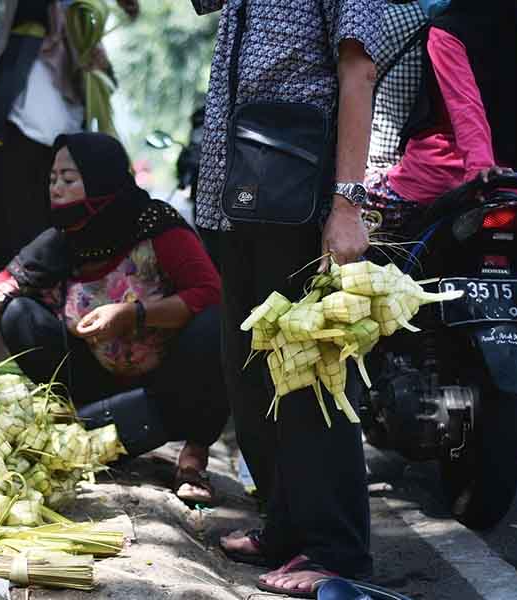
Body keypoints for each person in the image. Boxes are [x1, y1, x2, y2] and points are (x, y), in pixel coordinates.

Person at [0, 132, 229, 505]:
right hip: (102, 384)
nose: (56, 188)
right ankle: (93, 422)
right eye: (52, 179)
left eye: (68, 179)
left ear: (102, 179)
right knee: (18, 314)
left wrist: (133, 315)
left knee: (216, 324)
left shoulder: (157, 227)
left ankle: (194, 456)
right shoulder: (59, 242)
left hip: (172, 385)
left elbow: (210, 293)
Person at [190, 0, 383, 594]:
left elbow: (358, 70)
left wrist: (347, 206)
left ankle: (336, 550)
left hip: (301, 195)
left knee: (310, 377)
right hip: (238, 193)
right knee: (250, 376)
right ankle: (287, 527)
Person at [364, 0, 517, 472]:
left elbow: (464, 104)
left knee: (360, 235)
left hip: (441, 182)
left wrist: (481, 169)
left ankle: (361, 364)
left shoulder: (447, 29)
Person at [0, 0, 139, 276]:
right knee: (12, 237)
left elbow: (107, 81)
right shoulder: (30, 39)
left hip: (63, 145)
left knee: (58, 238)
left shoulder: (88, 48)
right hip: (19, 139)